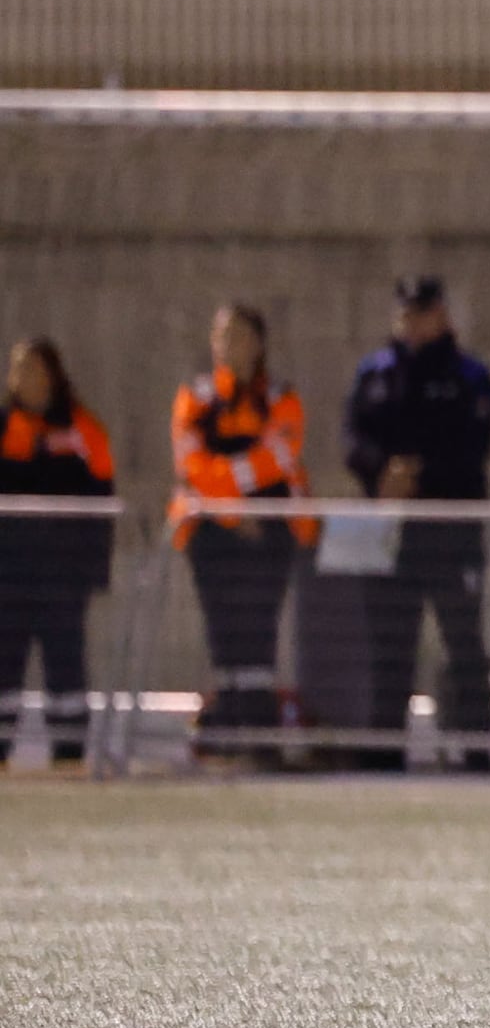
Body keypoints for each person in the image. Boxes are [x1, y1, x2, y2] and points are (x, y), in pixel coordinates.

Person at [339, 275, 490, 772]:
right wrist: (381, 471)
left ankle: (477, 746)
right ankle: (384, 747)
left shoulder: (470, 376)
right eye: (406, 312)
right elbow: (353, 437)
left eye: (422, 312)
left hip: (450, 528)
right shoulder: (375, 374)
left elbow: (473, 446)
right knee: (388, 642)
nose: (412, 322)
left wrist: (419, 472)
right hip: (391, 529)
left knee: (463, 641)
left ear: (442, 315)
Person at [171, 300, 311, 764]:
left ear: (258, 343)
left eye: (239, 334)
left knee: (259, 629)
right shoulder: (195, 397)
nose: (229, 344)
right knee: (223, 630)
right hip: (211, 531)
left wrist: (231, 486)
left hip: (270, 531)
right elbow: (192, 464)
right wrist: (233, 508)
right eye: (221, 334)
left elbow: (281, 455)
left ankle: (260, 732)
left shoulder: (280, 397)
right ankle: (226, 729)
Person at [1, 339, 114, 766]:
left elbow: (102, 501)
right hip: (7, 576)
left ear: (52, 374)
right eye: (17, 369)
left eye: (32, 368)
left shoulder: (82, 430)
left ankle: (69, 753)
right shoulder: (3, 426)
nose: (23, 377)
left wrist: (94, 570)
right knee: (4, 664)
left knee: (65, 668)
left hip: (62, 578)